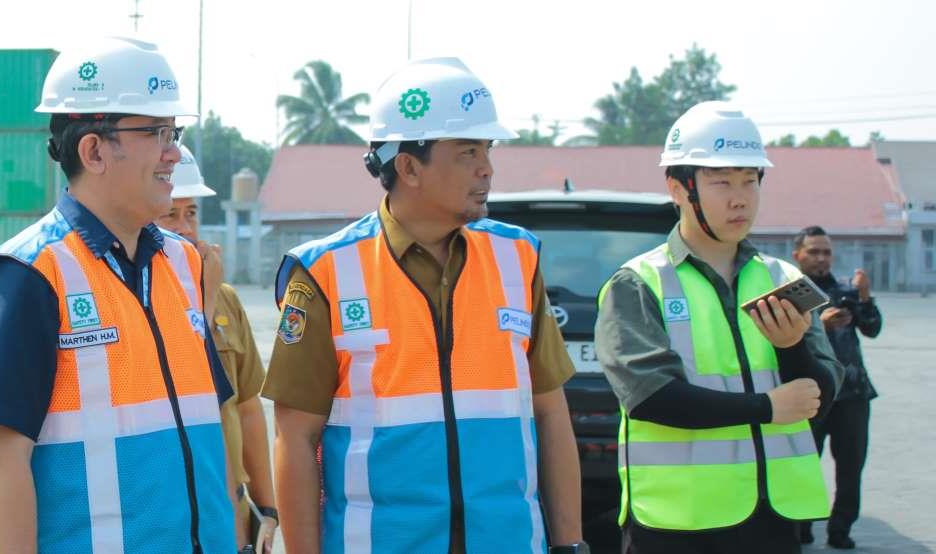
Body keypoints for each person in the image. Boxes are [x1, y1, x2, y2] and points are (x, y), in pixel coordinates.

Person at [262, 57, 586, 553]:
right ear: (408, 166)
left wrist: (570, 544)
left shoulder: (516, 258)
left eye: (487, 149)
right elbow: (295, 438)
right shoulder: (325, 272)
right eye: (467, 152)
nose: (487, 168)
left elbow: (550, 413)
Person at [0, 37, 236, 553]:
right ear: (93, 150)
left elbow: (213, 419)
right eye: (157, 132)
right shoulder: (28, 277)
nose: (175, 152)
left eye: (174, 132)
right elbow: (4, 458)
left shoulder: (184, 264)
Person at [595, 101, 844, 554]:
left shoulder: (783, 278)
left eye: (750, 180)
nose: (740, 197)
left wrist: (792, 349)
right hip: (675, 524)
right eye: (722, 181)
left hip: (773, 519)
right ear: (678, 188)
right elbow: (651, 396)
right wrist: (765, 408)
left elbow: (821, 394)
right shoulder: (637, 283)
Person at [157, 145, 278, 552]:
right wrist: (201, 306)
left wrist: (266, 507)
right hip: (170, 521)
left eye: (190, 213)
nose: (186, 228)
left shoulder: (224, 297)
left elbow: (247, 408)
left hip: (232, 518)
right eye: (170, 214)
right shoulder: (135, 299)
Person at [792, 225, 881, 549]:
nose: (821, 258)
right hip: (809, 394)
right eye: (814, 251)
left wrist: (865, 297)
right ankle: (799, 526)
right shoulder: (791, 291)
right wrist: (821, 324)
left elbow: (872, 328)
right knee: (802, 464)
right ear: (797, 255)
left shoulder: (845, 289)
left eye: (826, 252)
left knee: (851, 466)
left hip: (853, 394)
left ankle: (841, 529)